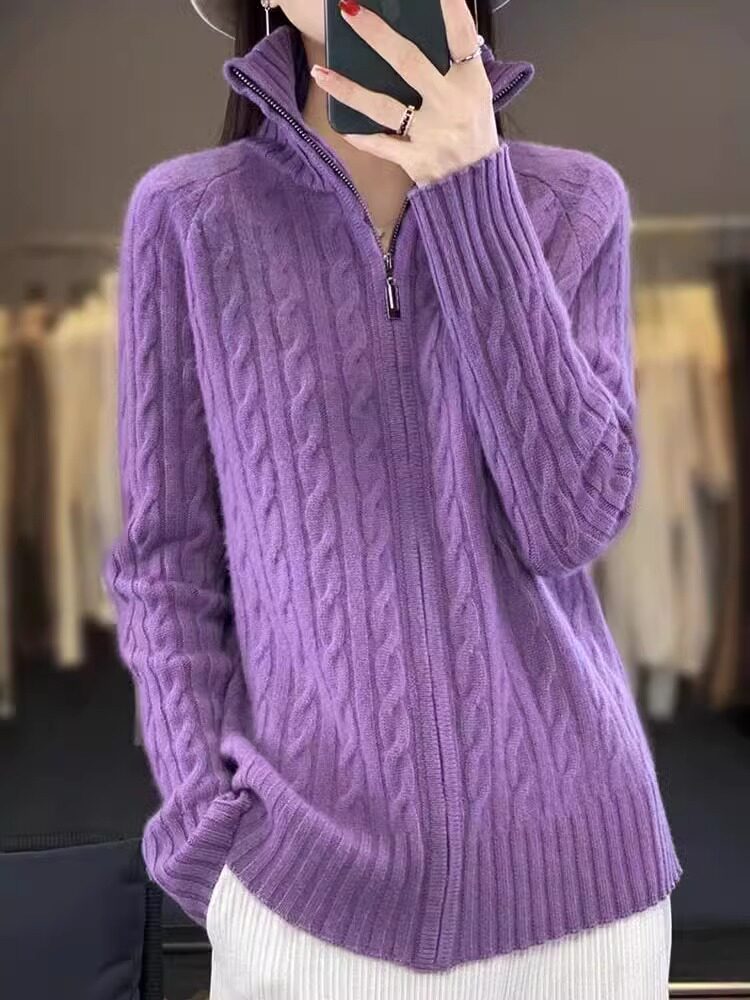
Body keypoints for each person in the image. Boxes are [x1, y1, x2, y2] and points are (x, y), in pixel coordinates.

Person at [103, 0, 683, 996]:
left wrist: (472, 192)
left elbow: (571, 521)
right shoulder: (192, 218)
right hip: (304, 908)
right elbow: (165, 569)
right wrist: (207, 836)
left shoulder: (573, 203)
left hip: (580, 902)